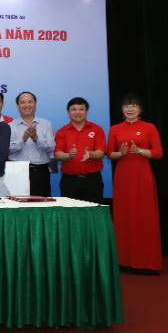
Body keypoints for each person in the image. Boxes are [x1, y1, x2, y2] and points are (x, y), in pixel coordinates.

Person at [107, 94, 163, 272]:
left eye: (134, 106)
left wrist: (140, 151)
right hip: (123, 176)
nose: (130, 109)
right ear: (122, 109)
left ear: (140, 109)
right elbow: (110, 154)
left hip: (142, 175)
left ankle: (147, 263)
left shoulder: (149, 127)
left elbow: (158, 152)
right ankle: (124, 261)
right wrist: (121, 153)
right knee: (124, 215)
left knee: (145, 216)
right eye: (126, 106)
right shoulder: (115, 129)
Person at [54, 97, 106, 202]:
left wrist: (90, 154)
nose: (78, 112)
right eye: (74, 109)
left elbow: (101, 152)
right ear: (68, 112)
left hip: (92, 180)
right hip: (69, 181)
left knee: (93, 210)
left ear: (86, 111)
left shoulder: (97, 129)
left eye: (81, 109)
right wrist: (68, 155)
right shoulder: (62, 131)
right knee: (71, 211)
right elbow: (58, 154)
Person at [9, 92, 55, 196]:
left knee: (41, 203)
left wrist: (36, 139)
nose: (27, 105)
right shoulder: (10, 126)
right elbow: (8, 149)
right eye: (22, 102)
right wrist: (23, 139)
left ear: (35, 104)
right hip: (17, 172)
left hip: (40, 172)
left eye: (30, 102)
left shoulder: (46, 124)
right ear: (17, 106)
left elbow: (51, 148)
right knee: (17, 203)